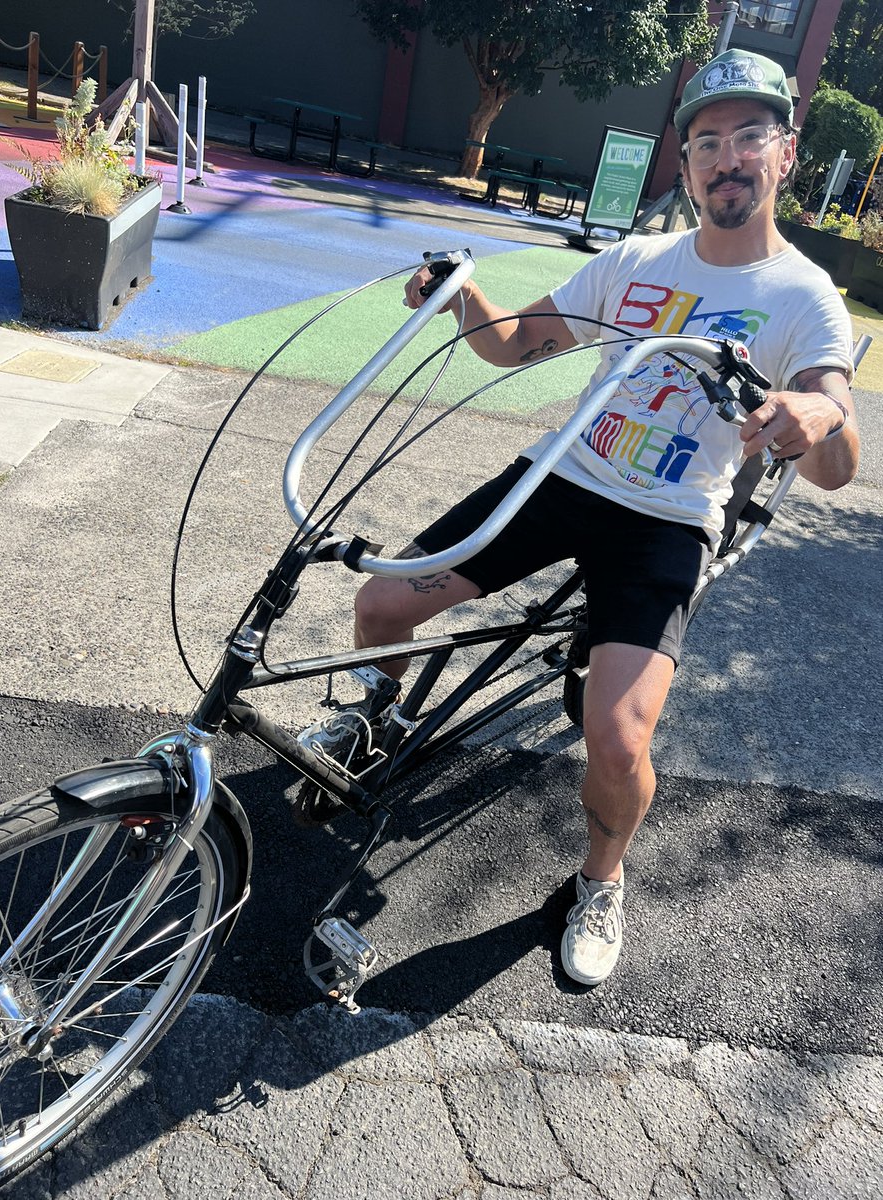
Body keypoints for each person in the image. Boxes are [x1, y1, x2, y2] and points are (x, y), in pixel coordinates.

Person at [352, 49, 860, 987]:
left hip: (666, 519)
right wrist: (464, 294)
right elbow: (511, 346)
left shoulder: (805, 298)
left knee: (618, 737)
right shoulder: (633, 262)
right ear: (685, 161)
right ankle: (377, 714)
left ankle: (602, 876)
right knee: (382, 606)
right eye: (706, 139)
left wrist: (821, 417)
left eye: (750, 135)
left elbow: (836, 462)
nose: (727, 156)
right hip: (563, 475)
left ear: (785, 154)